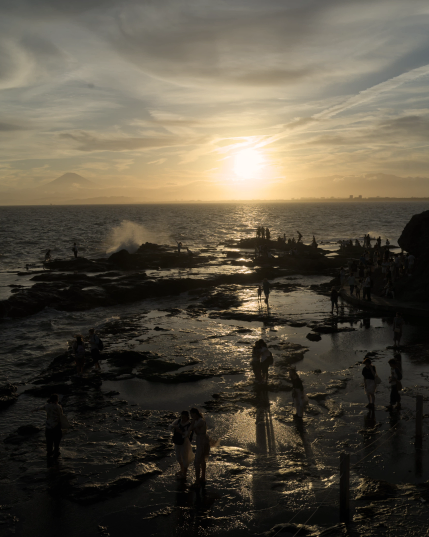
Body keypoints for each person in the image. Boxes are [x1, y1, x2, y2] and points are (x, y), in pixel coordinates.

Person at [169, 411, 194, 479]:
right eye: (182, 417)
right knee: (178, 457)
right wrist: (175, 426)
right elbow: (170, 426)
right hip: (177, 441)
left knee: (185, 457)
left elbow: (187, 434)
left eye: (184, 417)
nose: (182, 418)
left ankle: (184, 473)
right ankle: (182, 469)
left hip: (185, 442)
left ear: (187, 417)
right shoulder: (178, 421)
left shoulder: (189, 424)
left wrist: (180, 431)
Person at [189, 408, 210, 486]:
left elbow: (191, 428)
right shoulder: (199, 420)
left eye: (193, 414)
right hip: (201, 440)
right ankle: (203, 477)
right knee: (202, 460)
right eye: (191, 414)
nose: (192, 416)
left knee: (197, 461)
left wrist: (193, 421)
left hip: (202, 441)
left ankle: (198, 480)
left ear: (196, 414)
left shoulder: (200, 421)